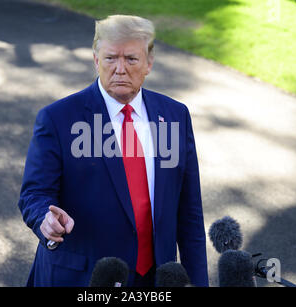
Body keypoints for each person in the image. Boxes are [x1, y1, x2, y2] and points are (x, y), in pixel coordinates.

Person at [17, 15, 209, 287]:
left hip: (154, 281)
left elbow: (189, 214)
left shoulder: (175, 116)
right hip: (83, 279)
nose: (120, 69)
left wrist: (199, 283)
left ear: (149, 63)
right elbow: (33, 194)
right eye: (110, 58)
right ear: (96, 60)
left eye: (131, 59)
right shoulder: (58, 118)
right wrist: (44, 220)